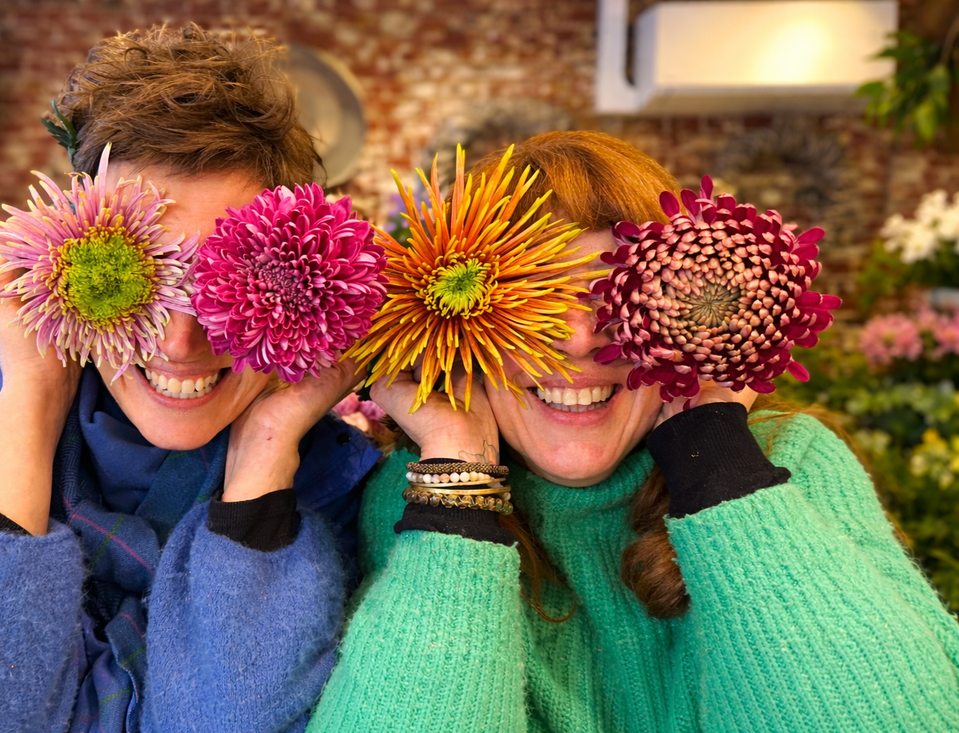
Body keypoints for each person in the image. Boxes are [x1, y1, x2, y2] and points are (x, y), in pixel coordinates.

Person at [307, 131, 959, 732]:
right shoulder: (417, 493)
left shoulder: (789, 462)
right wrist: (457, 472)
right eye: (531, 302)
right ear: (455, 325)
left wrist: (715, 450)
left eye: (612, 296)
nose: (578, 338)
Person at [0, 25, 380, 733]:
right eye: (143, 273)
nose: (180, 339)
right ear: (65, 256)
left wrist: (265, 449)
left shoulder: (332, 490)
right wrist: (32, 396)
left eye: (230, 282)